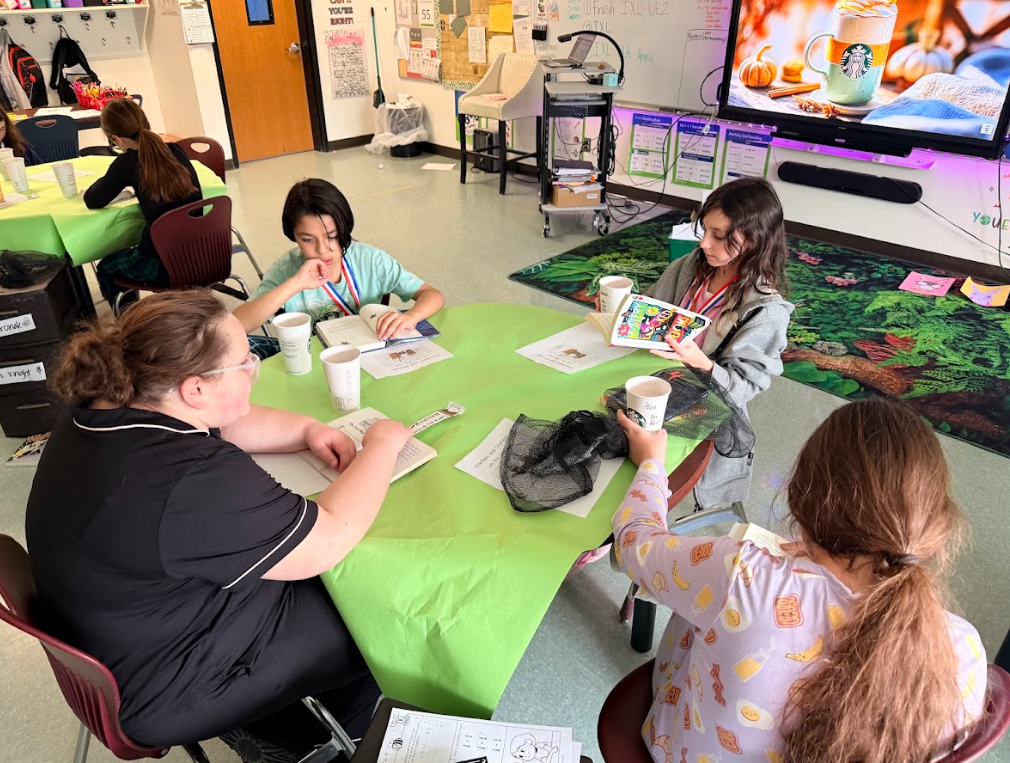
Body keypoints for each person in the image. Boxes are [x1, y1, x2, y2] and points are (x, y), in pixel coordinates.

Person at [25, 290, 414, 762]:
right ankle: (325, 743)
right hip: (171, 682)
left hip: (128, 634)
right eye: (245, 362)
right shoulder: (187, 479)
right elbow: (327, 538)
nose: (253, 370)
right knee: (378, 612)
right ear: (195, 388)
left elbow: (222, 425)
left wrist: (309, 430)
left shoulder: (112, 402)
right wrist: (381, 447)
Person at [612, 398, 986, 763]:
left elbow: (634, 543)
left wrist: (651, 464)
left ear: (802, 497)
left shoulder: (744, 577)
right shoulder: (964, 649)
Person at [647, 177, 793, 509]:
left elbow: (742, 388)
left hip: (706, 403)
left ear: (755, 242)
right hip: (661, 378)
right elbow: (655, 310)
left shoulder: (766, 312)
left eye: (720, 237)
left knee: (639, 449)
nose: (705, 245)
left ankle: (634, 520)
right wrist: (626, 315)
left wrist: (701, 362)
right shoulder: (688, 268)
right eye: (705, 232)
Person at [234, 178, 445, 358]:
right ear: (293, 236)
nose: (322, 250)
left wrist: (411, 316)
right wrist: (295, 283)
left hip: (370, 354)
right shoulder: (286, 269)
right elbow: (235, 327)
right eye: (307, 239)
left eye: (332, 237)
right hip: (316, 360)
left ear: (345, 228)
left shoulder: (369, 259)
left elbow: (432, 295)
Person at [83, 97, 202, 310]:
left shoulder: (126, 163)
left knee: (107, 268)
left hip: (164, 264)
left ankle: (131, 321)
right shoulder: (175, 151)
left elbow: (93, 199)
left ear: (116, 139)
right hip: (203, 251)